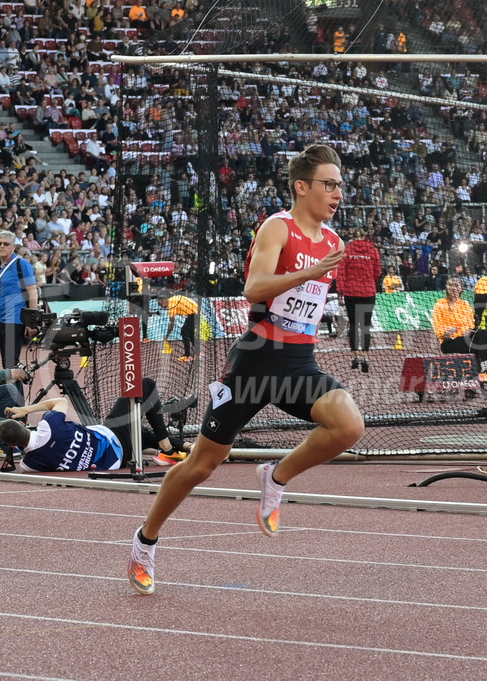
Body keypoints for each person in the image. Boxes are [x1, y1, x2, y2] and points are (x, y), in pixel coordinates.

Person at [126, 144, 365, 596]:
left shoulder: (334, 242)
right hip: (254, 360)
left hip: (298, 362)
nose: (337, 193)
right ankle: (144, 543)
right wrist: (310, 271)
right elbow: (254, 289)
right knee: (200, 465)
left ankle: (275, 477)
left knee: (349, 425)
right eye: (329, 184)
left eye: (340, 186)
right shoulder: (278, 227)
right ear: (302, 186)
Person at [0, 378, 187, 472]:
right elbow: (59, 402)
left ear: (12, 445)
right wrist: (26, 410)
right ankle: (166, 447)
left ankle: (187, 446)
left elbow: (26, 450)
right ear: (22, 424)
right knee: (145, 385)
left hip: (117, 461)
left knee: (142, 434)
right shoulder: (49, 425)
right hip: (112, 436)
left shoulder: (29, 464)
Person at [432, 276, 487, 397]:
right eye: (451, 285)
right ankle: (486, 379)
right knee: (484, 346)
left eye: (456, 285)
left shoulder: (465, 304)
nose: (453, 288)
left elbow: (470, 323)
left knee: (484, 335)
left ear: (461, 288)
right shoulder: (440, 304)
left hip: (466, 338)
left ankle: (482, 375)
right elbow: (438, 326)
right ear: (446, 288)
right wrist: (446, 333)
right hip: (449, 341)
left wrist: (469, 330)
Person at [0, 230, 39, 390]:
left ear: (13, 246)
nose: (1, 246)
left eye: (6, 244)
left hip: (15, 320)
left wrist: (31, 321)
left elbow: (32, 292)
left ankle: (17, 409)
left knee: (10, 365)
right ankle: (15, 407)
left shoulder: (21, 264)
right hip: (2, 320)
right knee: (8, 364)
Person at [335, 228, 381, 372]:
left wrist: (340, 292)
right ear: (364, 236)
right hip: (368, 292)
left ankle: (355, 356)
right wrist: (369, 282)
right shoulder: (373, 250)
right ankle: (365, 356)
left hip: (351, 292)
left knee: (354, 324)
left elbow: (341, 272)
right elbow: (378, 271)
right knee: (366, 325)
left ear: (352, 236)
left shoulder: (347, 250)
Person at [157, 291, 200, 362]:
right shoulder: (172, 299)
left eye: (160, 303)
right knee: (190, 333)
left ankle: (187, 355)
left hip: (194, 313)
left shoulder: (171, 306)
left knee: (184, 332)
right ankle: (197, 353)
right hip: (196, 311)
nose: (160, 306)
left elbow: (172, 324)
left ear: (164, 300)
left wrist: (167, 335)